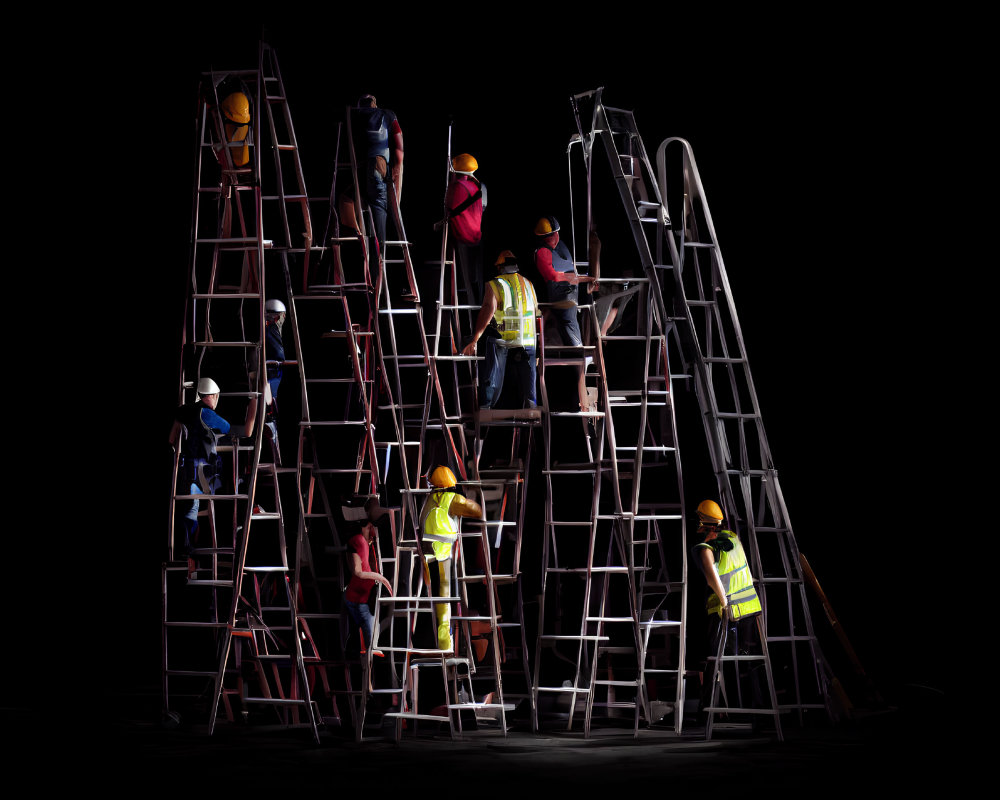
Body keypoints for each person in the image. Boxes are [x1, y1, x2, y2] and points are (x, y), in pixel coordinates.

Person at [170, 377, 262, 577]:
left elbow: (171, 439)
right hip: (202, 475)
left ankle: (190, 559)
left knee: (190, 514)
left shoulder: (183, 410)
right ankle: (192, 560)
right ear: (211, 396)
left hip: (185, 471)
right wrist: (255, 403)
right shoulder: (207, 414)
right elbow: (245, 431)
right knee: (197, 512)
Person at [692, 499, 763, 706]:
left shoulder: (704, 548)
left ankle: (707, 712)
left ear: (705, 524)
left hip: (727, 612)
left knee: (718, 662)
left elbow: (711, 578)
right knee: (743, 662)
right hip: (749, 608)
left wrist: (724, 604)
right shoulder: (733, 538)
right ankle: (750, 710)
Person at [461, 251, 538, 409]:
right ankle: (531, 407)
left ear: (500, 267)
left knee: (493, 371)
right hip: (528, 340)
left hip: (503, 337)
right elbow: (537, 314)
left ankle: (486, 405)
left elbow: (488, 310)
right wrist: (540, 349)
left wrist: (475, 339)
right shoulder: (528, 283)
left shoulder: (495, 284)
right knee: (529, 376)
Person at [418, 466, 483, 651]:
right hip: (443, 553)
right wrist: (471, 497)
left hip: (427, 553)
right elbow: (476, 510)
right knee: (444, 599)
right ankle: (445, 642)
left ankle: (436, 638)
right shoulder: (451, 499)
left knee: (434, 597)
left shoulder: (429, 499)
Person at [351, 94, 404, 255]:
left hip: (360, 168)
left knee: (371, 206)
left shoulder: (354, 114)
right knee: (379, 207)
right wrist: (397, 171)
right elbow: (399, 148)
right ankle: (379, 258)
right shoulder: (387, 114)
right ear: (374, 104)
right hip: (376, 164)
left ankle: (374, 257)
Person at [532, 216, 594, 348]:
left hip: (575, 292)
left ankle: (584, 354)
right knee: (569, 328)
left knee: (581, 322)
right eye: (547, 237)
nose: (552, 239)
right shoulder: (542, 252)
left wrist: (585, 280)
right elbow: (553, 276)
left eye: (553, 235)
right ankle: (579, 356)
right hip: (561, 296)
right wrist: (584, 279)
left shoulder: (561, 246)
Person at [344, 518, 393, 657]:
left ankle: (366, 650)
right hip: (359, 598)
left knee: (372, 629)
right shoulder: (358, 541)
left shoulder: (364, 542)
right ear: (369, 526)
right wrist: (380, 578)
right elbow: (357, 572)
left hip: (363, 597)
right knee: (369, 641)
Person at [443, 153, 487, 300]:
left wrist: (452, 181)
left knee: (467, 281)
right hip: (476, 236)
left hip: (463, 237)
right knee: (475, 280)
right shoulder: (476, 185)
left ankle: (471, 312)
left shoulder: (458, 187)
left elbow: (449, 206)